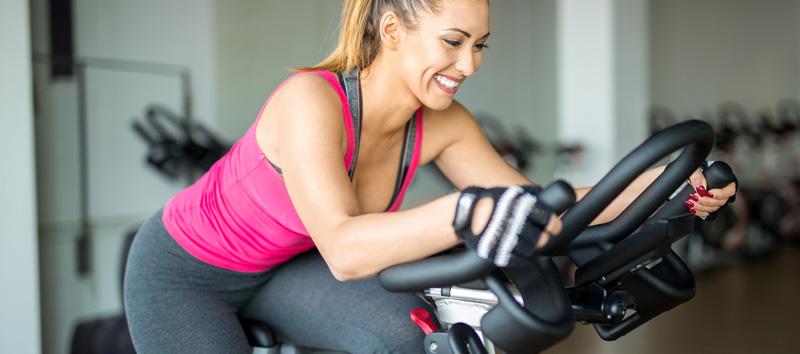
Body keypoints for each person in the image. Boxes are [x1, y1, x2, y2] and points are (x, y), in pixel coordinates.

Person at [123, 0, 738, 353]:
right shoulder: (309, 102)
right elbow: (343, 248)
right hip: (187, 275)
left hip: (284, 264)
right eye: (453, 41)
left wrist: (668, 189)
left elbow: (537, 206)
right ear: (392, 30)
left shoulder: (442, 122)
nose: (468, 64)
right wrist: (463, 210)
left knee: (410, 339)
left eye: (480, 46)